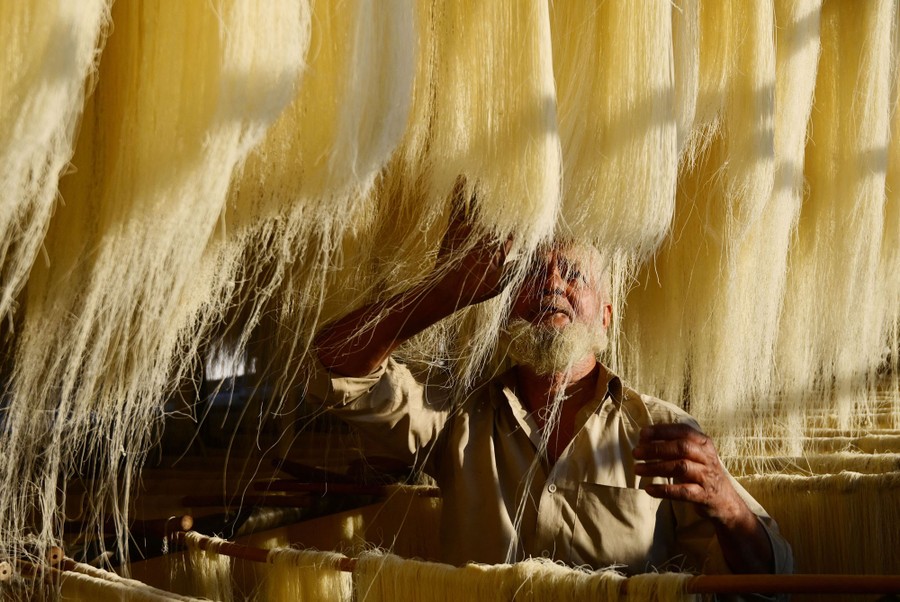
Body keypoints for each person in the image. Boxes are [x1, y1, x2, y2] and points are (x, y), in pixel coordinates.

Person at [310, 217, 792, 578]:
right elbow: (336, 363)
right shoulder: (456, 419)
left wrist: (727, 504)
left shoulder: (661, 428)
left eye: (573, 275)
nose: (552, 285)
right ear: (501, 311)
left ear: (605, 317)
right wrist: (442, 290)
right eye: (532, 276)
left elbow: (773, 578)